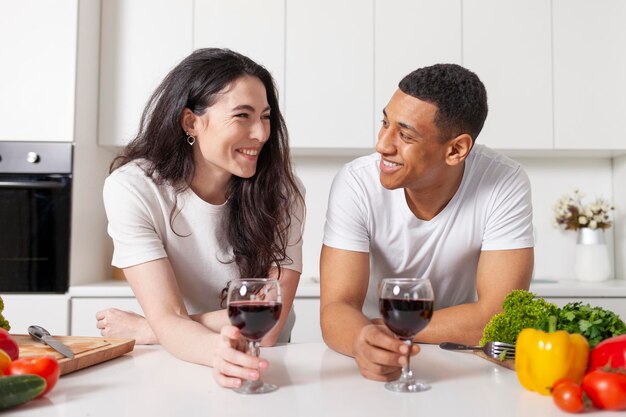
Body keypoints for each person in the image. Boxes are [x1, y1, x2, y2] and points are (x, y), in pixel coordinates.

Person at [97, 48, 305, 389]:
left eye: (266, 117)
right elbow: (170, 316)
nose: (261, 134)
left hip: (266, 363)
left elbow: (268, 327)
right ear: (191, 121)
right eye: (243, 115)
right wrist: (185, 334)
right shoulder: (134, 188)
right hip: (179, 363)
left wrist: (151, 329)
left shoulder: (282, 192)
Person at [320, 63, 534, 382]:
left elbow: (495, 315)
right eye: (384, 123)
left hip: (460, 361)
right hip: (376, 356)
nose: (382, 144)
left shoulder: (504, 182)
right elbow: (336, 307)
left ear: (456, 149)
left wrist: (390, 328)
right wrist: (361, 339)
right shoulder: (356, 183)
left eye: (405, 135)